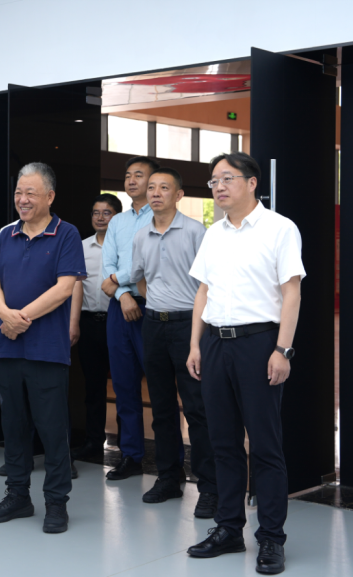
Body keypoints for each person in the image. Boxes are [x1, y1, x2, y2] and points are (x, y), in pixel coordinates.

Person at [185, 153, 304, 575]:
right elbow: (203, 292)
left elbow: (292, 292)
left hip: (259, 344)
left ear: (252, 182)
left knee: (265, 446)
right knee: (223, 443)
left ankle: (271, 537)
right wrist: (195, 344)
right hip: (215, 344)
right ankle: (229, 529)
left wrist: (283, 350)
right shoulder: (213, 233)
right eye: (214, 180)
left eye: (227, 179)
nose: (218, 187)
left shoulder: (280, 228)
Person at [0, 162, 86, 534]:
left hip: (47, 348)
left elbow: (65, 288)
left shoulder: (67, 233)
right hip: (7, 349)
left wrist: (18, 318)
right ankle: (18, 496)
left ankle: (56, 502)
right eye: (18, 193)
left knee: (52, 428)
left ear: (50, 196)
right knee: (13, 425)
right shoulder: (6, 233)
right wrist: (3, 314)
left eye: (30, 193)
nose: (22, 199)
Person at [130, 167, 217, 518]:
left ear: (178, 195)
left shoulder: (197, 232)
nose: (155, 193)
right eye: (151, 187)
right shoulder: (141, 236)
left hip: (188, 327)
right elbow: (140, 281)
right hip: (153, 325)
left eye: (163, 187)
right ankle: (168, 478)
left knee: (197, 408)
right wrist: (158, 303)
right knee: (162, 407)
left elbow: (208, 285)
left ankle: (210, 487)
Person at [100, 155, 159, 480]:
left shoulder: (161, 218)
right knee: (124, 387)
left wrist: (118, 283)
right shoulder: (118, 222)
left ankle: (170, 462)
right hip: (119, 308)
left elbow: (149, 265)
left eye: (139, 175)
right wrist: (123, 294)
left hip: (153, 306)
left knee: (160, 388)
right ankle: (131, 456)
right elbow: (107, 266)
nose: (132, 180)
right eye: (128, 175)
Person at [70, 193, 121, 461]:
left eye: (107, 213)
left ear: (117, 217)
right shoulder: (80, 247)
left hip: (119, 322)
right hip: (90, 323)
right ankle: (93, 442)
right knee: (93, 388)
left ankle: (128, 445)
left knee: (124, 386)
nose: (100, 218)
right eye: (96, 212)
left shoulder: (125, 247)